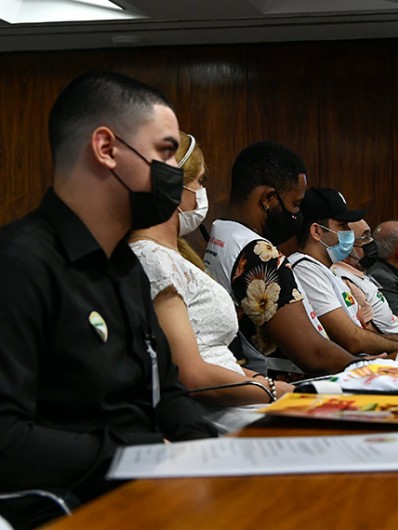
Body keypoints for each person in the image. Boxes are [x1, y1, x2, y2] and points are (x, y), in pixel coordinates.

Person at [0, 72, 217, 528]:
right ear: (106, 148)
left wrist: (206, 453)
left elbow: (168, 390)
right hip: (68, 503)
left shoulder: (124, 265)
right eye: (165, 152)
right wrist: (142, 455)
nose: (174, 172)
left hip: (147, 491)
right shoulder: (19, 264)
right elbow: (7, 437)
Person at [129, 132, 293, 432]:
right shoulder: (152, 259)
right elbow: (191, 375)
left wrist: (262, 384)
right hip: (215, 416)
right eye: (200, 181)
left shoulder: (177, 255)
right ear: (173, 186)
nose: (203, 192)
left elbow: (215, 355)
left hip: (239, 399)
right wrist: (271, 388)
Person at [203, 142, 361, 378]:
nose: (297, 215)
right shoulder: (258, 253)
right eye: (295, 204)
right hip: (283, 385)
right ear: (268, 198)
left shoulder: (221, 233)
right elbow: (314, 355)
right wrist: (375, 368)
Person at [288, 188, 398, 355]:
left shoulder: (328, 270)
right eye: (342, 226)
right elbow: (353, 340)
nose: (349, 233)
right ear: (316, 231)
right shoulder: (305, 270)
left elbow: (362, 332)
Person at [331, 219, 398, 343]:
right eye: (365, 237)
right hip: (397, 346)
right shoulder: (346, 279)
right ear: (346, 245)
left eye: (370, 236)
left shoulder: (360, 274)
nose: (372, 243)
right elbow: (368, 333)